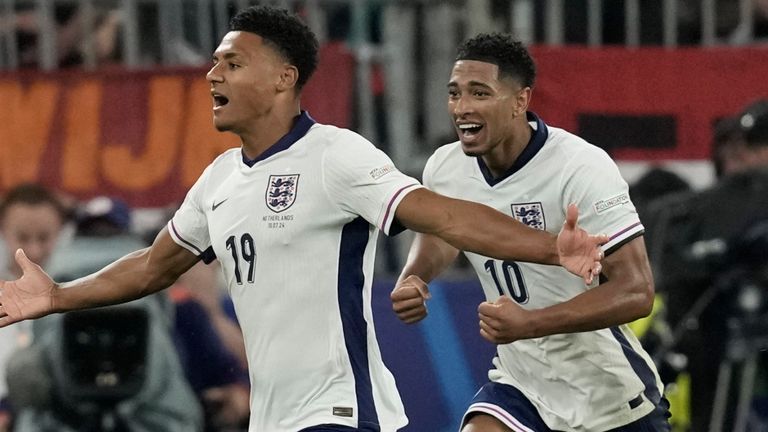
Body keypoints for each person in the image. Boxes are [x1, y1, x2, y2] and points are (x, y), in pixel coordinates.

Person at [0, 7, 606, 432]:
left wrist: (553, 249)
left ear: (283, 79)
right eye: (214, 63)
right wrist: (58, 296)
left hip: (341, 412)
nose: (213, 75)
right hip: (274, 419)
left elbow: (444, 214)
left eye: (233, 63)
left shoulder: (335, 156)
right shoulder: (218, 180)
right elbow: (153, 266)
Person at [390, 33, 670, 431]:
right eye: (454, 94)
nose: (462, 108)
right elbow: (442, 233)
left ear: (520, 101)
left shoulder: (581, 167)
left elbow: (637, 291)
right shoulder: (445, 167)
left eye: (480, 93)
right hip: (521, 383)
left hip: (606, 394)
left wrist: (530, 323)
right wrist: (415, 275)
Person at [0, 183, 69, 432]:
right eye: (22, 238)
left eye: (44, 238)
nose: (33, 250)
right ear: (3, 232)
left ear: (61, 232)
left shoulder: (79, 293)